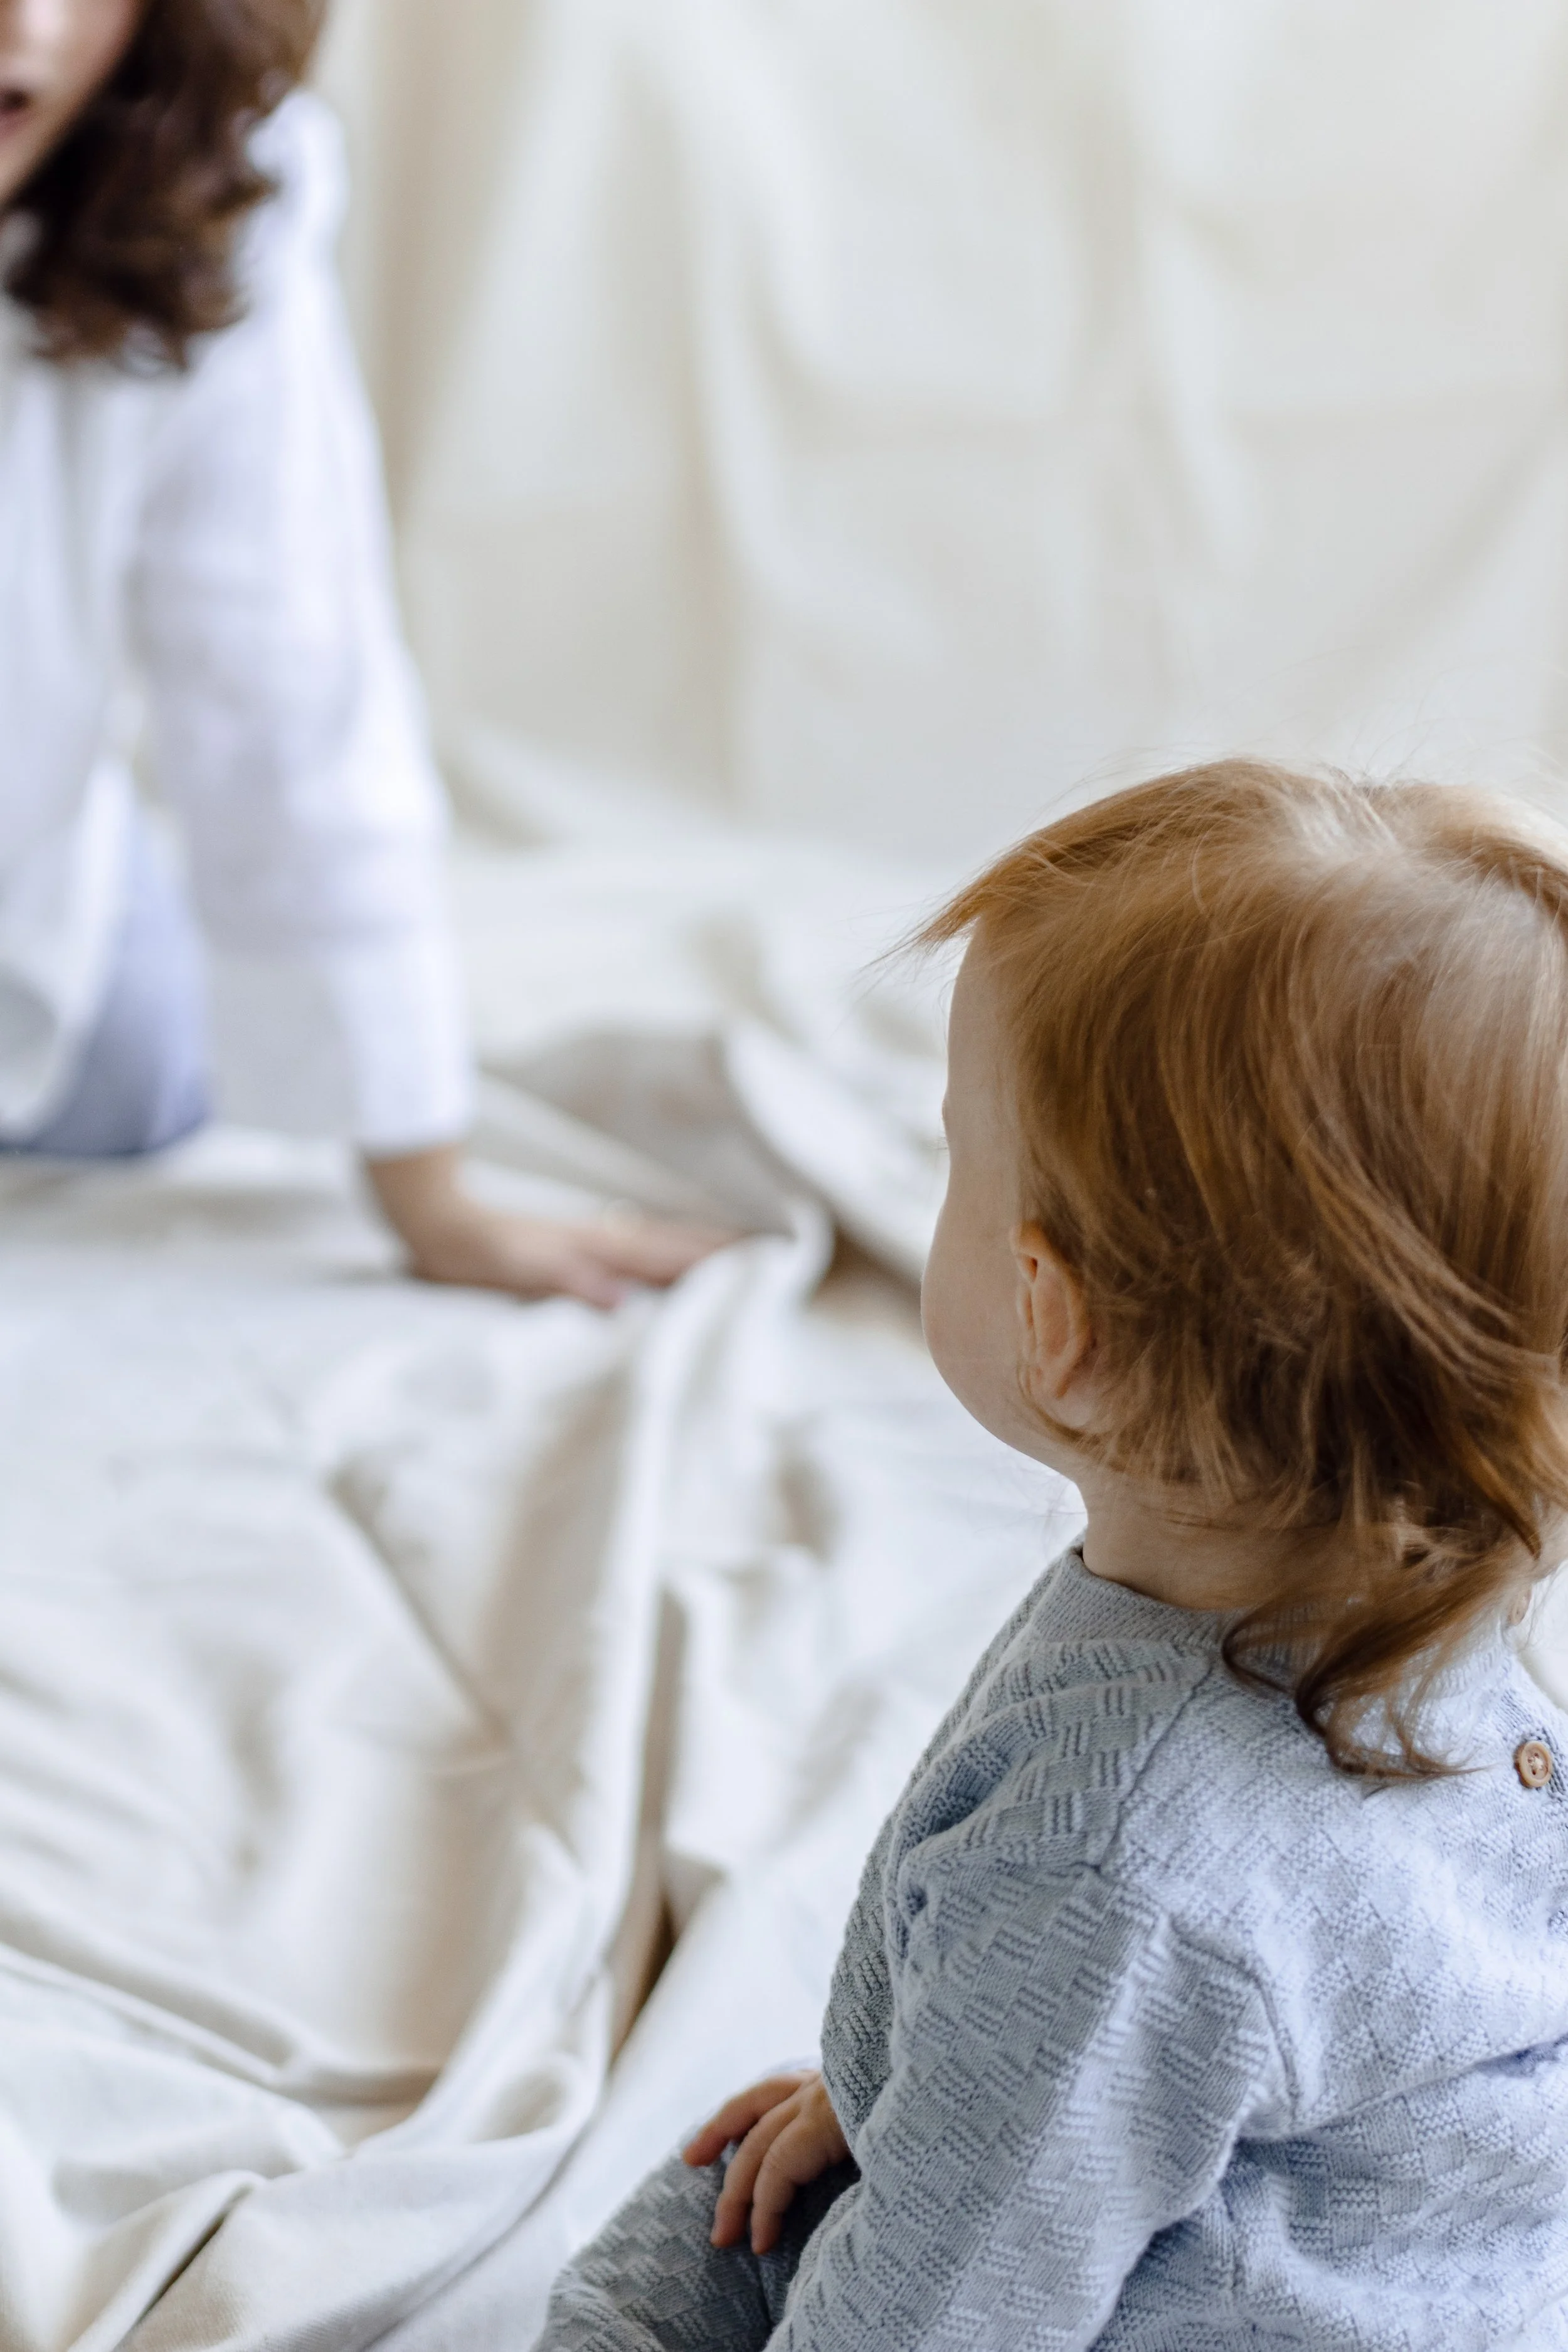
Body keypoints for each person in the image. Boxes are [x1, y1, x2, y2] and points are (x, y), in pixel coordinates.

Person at [539, 760, 1568, 2348]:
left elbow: (933, 2320)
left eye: (956, 1152)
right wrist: (944, 2091)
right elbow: (1308, 2018)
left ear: (1053, 1324)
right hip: (1431, 2267)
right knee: (780, 2172)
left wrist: (971, 2137)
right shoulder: (1442, 1602)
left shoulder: (1114, 1873)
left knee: (664, 2268)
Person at [0, 0, 719, 1306]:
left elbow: (287, 679)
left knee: (150, 1068)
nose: (25, 28)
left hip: (43, 937)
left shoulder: (204, 186)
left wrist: (432, 1199)